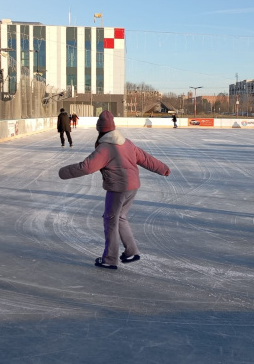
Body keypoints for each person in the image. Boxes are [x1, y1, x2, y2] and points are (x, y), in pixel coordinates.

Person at [58, 110, 170, 269]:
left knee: (110, 220)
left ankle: (110, 259)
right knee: (121, 217)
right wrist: (163, 168)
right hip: (133, 186)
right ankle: (131, 251)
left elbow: (86, 167)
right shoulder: (127, 143)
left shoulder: (105, 148)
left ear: (100, 129)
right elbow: (145, 158)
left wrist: (63, 172)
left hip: (118, 188)